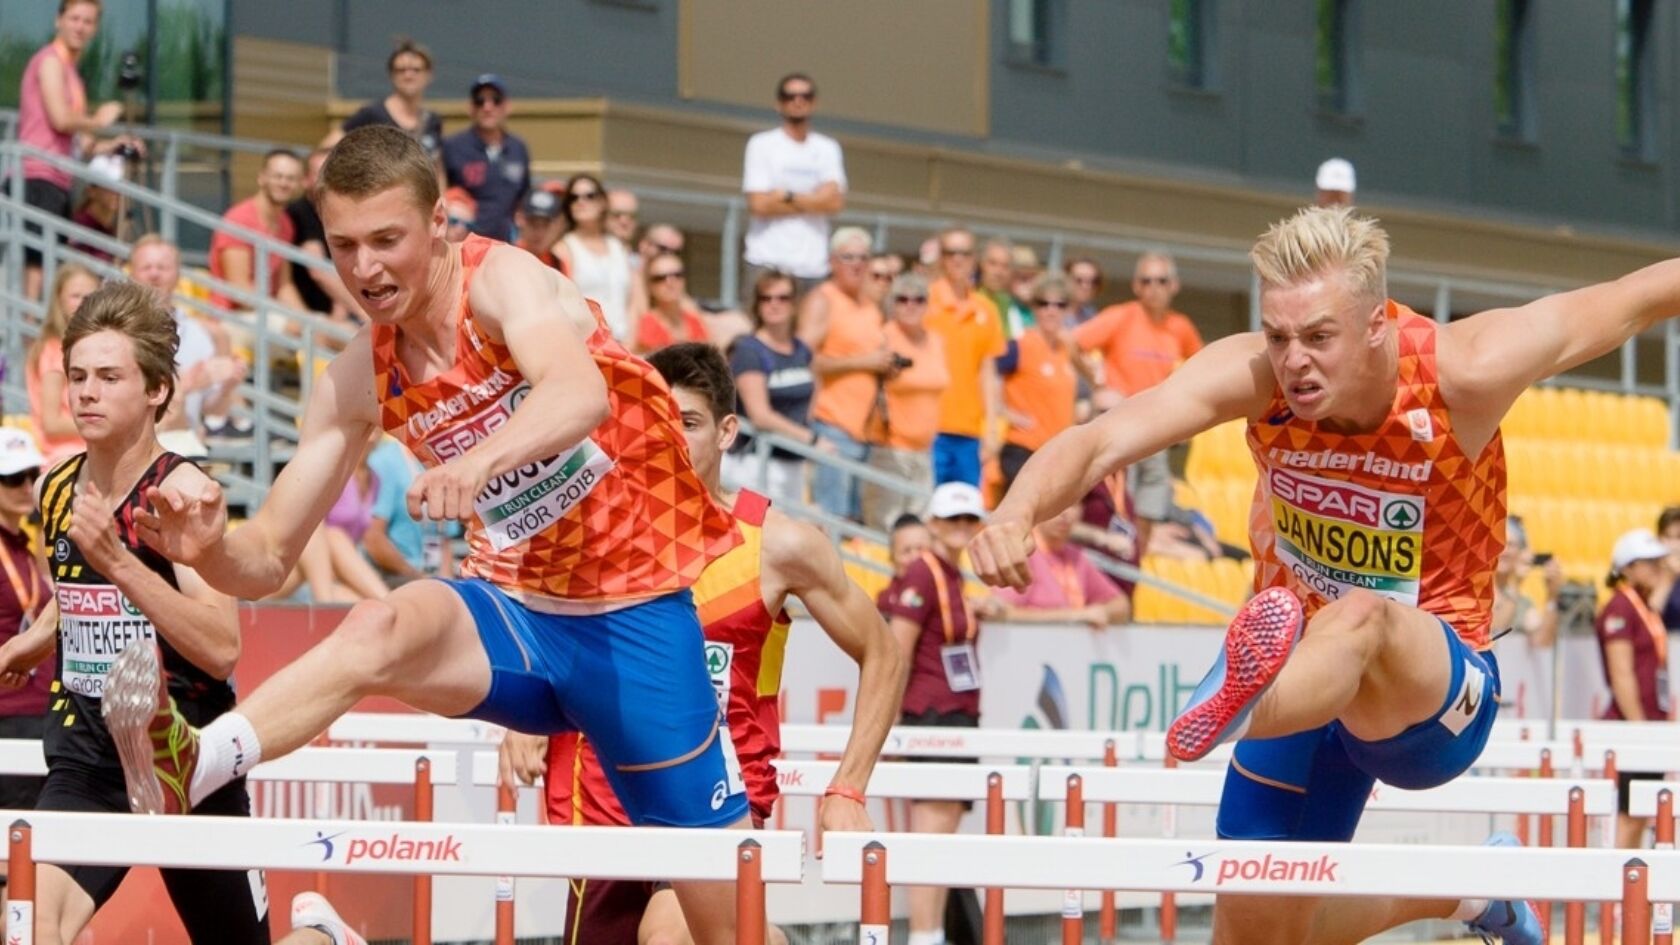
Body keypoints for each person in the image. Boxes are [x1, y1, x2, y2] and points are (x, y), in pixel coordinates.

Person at [110, 125, 752, 945]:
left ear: (440, 222)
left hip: (635, 619)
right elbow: (266, 557)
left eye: (387, 240)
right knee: (379, 623)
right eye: (344, 246)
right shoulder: (358, 375)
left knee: (728, 922)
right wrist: (206, 547)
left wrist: (478, 461)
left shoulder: (504, 281)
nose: (366, 269)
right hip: (518, 615)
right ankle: (200, 763)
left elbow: (577, 393)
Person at [961, 204, 1673, 944]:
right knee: (1262, 936)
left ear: (1377, 325)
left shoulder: (1467, 368)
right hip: (1305, 681)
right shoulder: (1254, 376)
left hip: (1432, 693)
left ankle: (1239, 707)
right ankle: (1468, 893)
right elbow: (1100, 439)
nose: (1294, 360)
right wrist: (1014, 511)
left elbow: (1634, 299)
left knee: (1363, 612)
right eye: (1278, 336)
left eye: (1319, 337)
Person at [499, 342, 902, 945]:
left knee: (667, 935)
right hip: (606, 804)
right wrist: (526, 713)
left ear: (727, 432)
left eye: (687, 422)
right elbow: (546, 635)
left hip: (715, 800)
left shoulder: (778, 545)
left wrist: (848, 786)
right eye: (655, 420)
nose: (669, 437)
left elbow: (884, 653)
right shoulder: (590, 535)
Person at [0, 281, 267, 944]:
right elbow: (82, 588)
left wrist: (121, 562)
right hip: (89, 758)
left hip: (184, 759)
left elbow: (221, 647)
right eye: (77, 376)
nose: (86, 393)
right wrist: (40, 637)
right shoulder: (57, 486)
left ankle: (324, 933)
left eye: (109, 377)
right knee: (28, 925)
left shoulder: (183, 495)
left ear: (156, 390)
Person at [886, 481, 988, 945]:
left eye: (969, 519)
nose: (961, 526)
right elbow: (898, 651)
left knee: (941, 833)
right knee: (931, 835)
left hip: (956, 716)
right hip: (932, 717)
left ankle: (931, 933)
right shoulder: (924, 573)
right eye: (952, 519)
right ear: (932, 523)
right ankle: (924, 936)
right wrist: (887, 726)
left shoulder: (952, 575)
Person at [1072, 252, 1203, 554]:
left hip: (1157, 427)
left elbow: (1202, 364)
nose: (1153, 288)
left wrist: (1185, 410)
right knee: (1123, 499)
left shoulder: (1179, 326)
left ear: (1174, 285)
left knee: (1151, 501)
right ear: (1136, 286)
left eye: (1161, 281)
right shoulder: (1122, 316)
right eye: (1146, 281)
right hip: (1122, 424)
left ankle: (1135, 562)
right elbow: (1073, 344)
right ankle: (1118, 561)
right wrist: (1098, 385)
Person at [16, 0, 135, 301]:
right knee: (37, 264)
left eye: (88, 21)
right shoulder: (50, 61)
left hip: (59, 178)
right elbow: (60, 118)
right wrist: (98, 120)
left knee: (51, 263)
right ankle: (29, 326)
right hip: (37, 174)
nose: (80, 27)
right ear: (59, 20)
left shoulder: (71, 73)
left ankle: (37, 322)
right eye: (75, 18)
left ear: (95, 28)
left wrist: (111, 145)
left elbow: (79, 141)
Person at [799, 227, 889, 520]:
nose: (857, 264)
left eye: (863, 257)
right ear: (832, 262)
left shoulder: (870, 306)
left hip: (866, 430)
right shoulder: (823, 299)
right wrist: (864, 362)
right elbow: (800, 360)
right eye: (848, 257)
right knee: (831, 519)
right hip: (832, 424)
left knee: (855, 523)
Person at [129, 235, 247, 451]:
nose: (154, 274)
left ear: (177, 275)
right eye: (146, 267)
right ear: (132, 274)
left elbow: (212, 411)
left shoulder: (197, 334)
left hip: (184, 448)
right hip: (133, 446)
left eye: (163, 267)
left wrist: (227, 387)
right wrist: (186, 385)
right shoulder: (117, 332)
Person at [1595, 528, 1672, 849]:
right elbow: (1621, 673)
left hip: (1646, 724)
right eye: (1648, 562)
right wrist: (1640, 730)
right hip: (1632, 727)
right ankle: (1620, 880)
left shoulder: (1641, 605)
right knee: (1630, 814)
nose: (1657, 568)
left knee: (1640, 812)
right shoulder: (1620, 608)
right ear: (1627, 567)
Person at [741, 73, 846, 297]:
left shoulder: (827, 148)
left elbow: (835, 203)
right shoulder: (761, 144)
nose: (798, 101)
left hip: (813, 266)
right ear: (778, 103)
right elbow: (759, 205)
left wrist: (787, 196)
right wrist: (816, 200)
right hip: (767, 261)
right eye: (790, 96)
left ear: (814, 102)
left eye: (805, 96)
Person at [860, 273, 946, 532]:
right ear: (892, 303)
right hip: (891, 449)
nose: (911, 305)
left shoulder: (936, 340)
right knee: (884, 527)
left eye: (918, 299)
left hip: (925, 450)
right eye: (902, 299)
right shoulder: (884, 337)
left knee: (918, 529)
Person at [725, 270, 814, 508]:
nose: (774, 304)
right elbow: (760, 415)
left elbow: (812, 391)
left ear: (795, 304)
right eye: (766, 298)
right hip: (755, 462)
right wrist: (810, 438)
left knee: (788, 530)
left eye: (783, 298)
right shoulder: (749, 350)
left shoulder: (801, 349)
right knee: (751, 528)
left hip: (792, 461)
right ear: (757, 304)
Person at [0, 430, 50, 837]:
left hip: (37, 712)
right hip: (9, 715)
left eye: (32, 475)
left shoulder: (22, 546)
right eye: (13, 478)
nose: (26, 487)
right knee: (15, 852)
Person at [927, 228, 1005, 487]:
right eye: (950, 252)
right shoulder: (923, 301)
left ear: (975, 258)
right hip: (929, 427)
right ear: (941, 258)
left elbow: (988, 371)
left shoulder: (987, 309)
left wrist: (991, 428)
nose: (957, 259)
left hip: (969, 430)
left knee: (965, 507)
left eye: (964, 253)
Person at [976, 504, 1129, 628]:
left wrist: (1102, 612)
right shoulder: (1024, 552)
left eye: (1072, 505)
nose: (1065, 513)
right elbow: (1004, 613)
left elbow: (1121, 604)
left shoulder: (1077, 556)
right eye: (1057, 505)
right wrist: (1077, 616)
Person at [997, 273, 1081, 492]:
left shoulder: (1065, 350)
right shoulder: (1021, 345)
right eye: (1043, 303)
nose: (1051, 311)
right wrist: (1003, 411)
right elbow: (986, 372)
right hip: (1024, 449)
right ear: (1033, 307)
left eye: (1060, 305)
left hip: (1056, 453)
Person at [209, 148, 310, 314]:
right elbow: (239, 290)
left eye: (291, 178)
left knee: (325, 326)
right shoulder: (239, 220)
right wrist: (284, 315)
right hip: (231, 315)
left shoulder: (286, 223)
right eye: (277, 176)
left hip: (264, 311)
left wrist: (307, 319)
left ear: (299, 184)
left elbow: (284, 286)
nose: (284, 183)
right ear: (261, 178)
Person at [442, 74, 531, 241]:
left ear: (507, 106)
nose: (487, 107)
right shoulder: (452, 147)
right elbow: (440, 196)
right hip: (466, 242)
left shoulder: (518, 148)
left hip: (508, 244)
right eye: (480, 101)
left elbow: (524, 198)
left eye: (496, 100)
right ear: (470, 107)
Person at [26, 263, 99, 466]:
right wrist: (110, 423)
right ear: (59, 300)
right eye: (76, 296)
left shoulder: (86, 346)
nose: (83, 303)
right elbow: (52, 423)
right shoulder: (53, 350)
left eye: (90, 297)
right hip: (65, 455)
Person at [556, 173, 642, 342]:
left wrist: (630, 343)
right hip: (588, 344)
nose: (581, 202)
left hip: (625, 343)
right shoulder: (563, 248)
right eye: (573, 197)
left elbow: (634, 301)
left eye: (589, 196)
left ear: (603, 202)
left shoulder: (619, 247)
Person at [289, 147, 363, 325]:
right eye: (320, 174)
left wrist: (342, 308)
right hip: (311, 314)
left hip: (342, 309)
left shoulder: (341, 214)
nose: (328, 180)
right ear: (305, 180)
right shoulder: (299, 213)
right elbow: (318, 271)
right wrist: (363, 313)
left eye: (333, 173)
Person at [340, 38, 443, 163]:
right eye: (401, 70)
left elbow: (437, 165)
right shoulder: (371, 114)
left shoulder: (432, 120)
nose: (408, 76)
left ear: (429, 75)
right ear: (391, 75)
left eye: (416, 70)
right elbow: (327, 150)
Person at [632, 252, 708, 354]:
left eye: (677, 275)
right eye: (660, 278)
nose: (670, 282)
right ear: (650, 286)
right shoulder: (646, 325)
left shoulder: (695, 322)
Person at [876, 512, 933, 613]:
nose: (915, 557)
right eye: (906, 551)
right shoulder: (885, 602)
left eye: (920, 548)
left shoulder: (948, 590)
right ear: (892, 558)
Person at [513, 188, 567, 273]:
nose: (539, 232)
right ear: (519, 219)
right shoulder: (506, 257)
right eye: (533, 223)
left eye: (546, 224)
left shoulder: (557, 264)